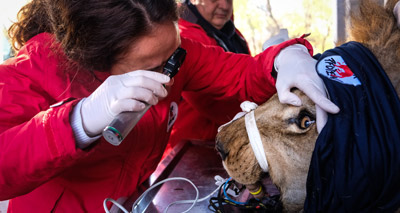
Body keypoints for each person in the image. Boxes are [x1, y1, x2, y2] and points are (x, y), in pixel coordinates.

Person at [0, 0, 338, 212]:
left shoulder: (173, 58)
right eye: (149, 66)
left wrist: (286, 58)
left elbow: (241, 75)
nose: (168, 74)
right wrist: (78, 122)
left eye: (172, 57)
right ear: (96, 57)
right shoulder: (37, 68)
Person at [168, 0, 250, 150]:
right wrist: (260, 112)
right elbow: (212, 101)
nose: (224, 6)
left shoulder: (232, 32)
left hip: (230, 139)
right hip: (192, 147)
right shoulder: (183, 36)